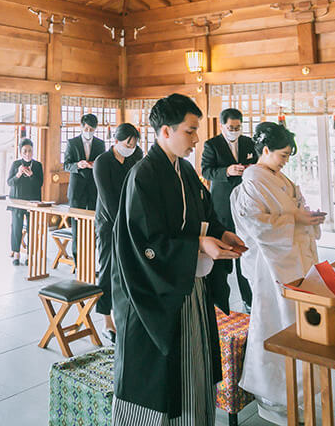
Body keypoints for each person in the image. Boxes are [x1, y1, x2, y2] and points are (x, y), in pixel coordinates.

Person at [111, 93, 247, 426]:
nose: (196, 138)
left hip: (189, 286)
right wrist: (198, 244)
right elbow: (145, 244)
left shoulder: (185, 169)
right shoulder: (143, 175)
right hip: (155, 294)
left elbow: (204, 213)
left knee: (194, 366)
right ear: (165, 131)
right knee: (160, 378)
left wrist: (221, 233)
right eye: (190, 130)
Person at [230, 121, 325, 425]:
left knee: (298, 322)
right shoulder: (252, 182)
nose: (285, 161)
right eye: (282, 155)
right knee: (274, 322)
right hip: (272, 264)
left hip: (295, 259)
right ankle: (273, 396)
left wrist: (306, 217)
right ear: (266, 149)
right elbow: (256, 226)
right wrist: (295, 219)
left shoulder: (279, 178)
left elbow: (295, 208)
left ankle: (300, 389)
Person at [200, 107, 258, 310]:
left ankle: (249, 301)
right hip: (222, 205)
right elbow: (206, 171)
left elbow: (257, 164)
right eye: (231, 127)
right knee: (223, 256)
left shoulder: (248, 143)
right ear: (222, 126)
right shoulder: (212, 145)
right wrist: (227, 171)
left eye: (238, 127)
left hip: (245, 202)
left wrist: (250, 169)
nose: (234, 130)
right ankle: (221, 304)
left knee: (245, 253)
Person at [92, 123, 143, 340]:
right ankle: (107, 321)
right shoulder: (102, 162)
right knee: (107, 268)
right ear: (116, 141)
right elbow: (107, 200)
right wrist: (121, 225)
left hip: (131, 219)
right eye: (127, 144)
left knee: (129, 269)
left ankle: (128, 314)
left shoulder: (136, 156)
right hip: (108, 222)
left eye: (133, 145)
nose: (130, 148)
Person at [7, 138, 43, 266]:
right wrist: (18, 174)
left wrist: (31, 175)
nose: (28, 153)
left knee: (32, 228)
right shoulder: (15, 164)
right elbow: (9, 182)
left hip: (33, 201)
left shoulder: (38, 165)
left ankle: (30, 254)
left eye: (30, 151)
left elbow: (40, 184)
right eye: (25, 151)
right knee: (16, 227)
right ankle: (16, 254)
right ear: (20, 152)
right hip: (17, 200)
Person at [63, 114, 105, 211]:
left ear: (95, 128)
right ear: (81, 127)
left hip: (94, 186)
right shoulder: (72, 143)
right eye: (86, 129)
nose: (89, 132)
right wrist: (78, 165)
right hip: (76, 187)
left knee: (92, 216)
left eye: (91, 129)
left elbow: (103, 165)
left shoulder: (100, 144)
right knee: (76, 217)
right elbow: (66, 165)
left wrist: (95, 165)